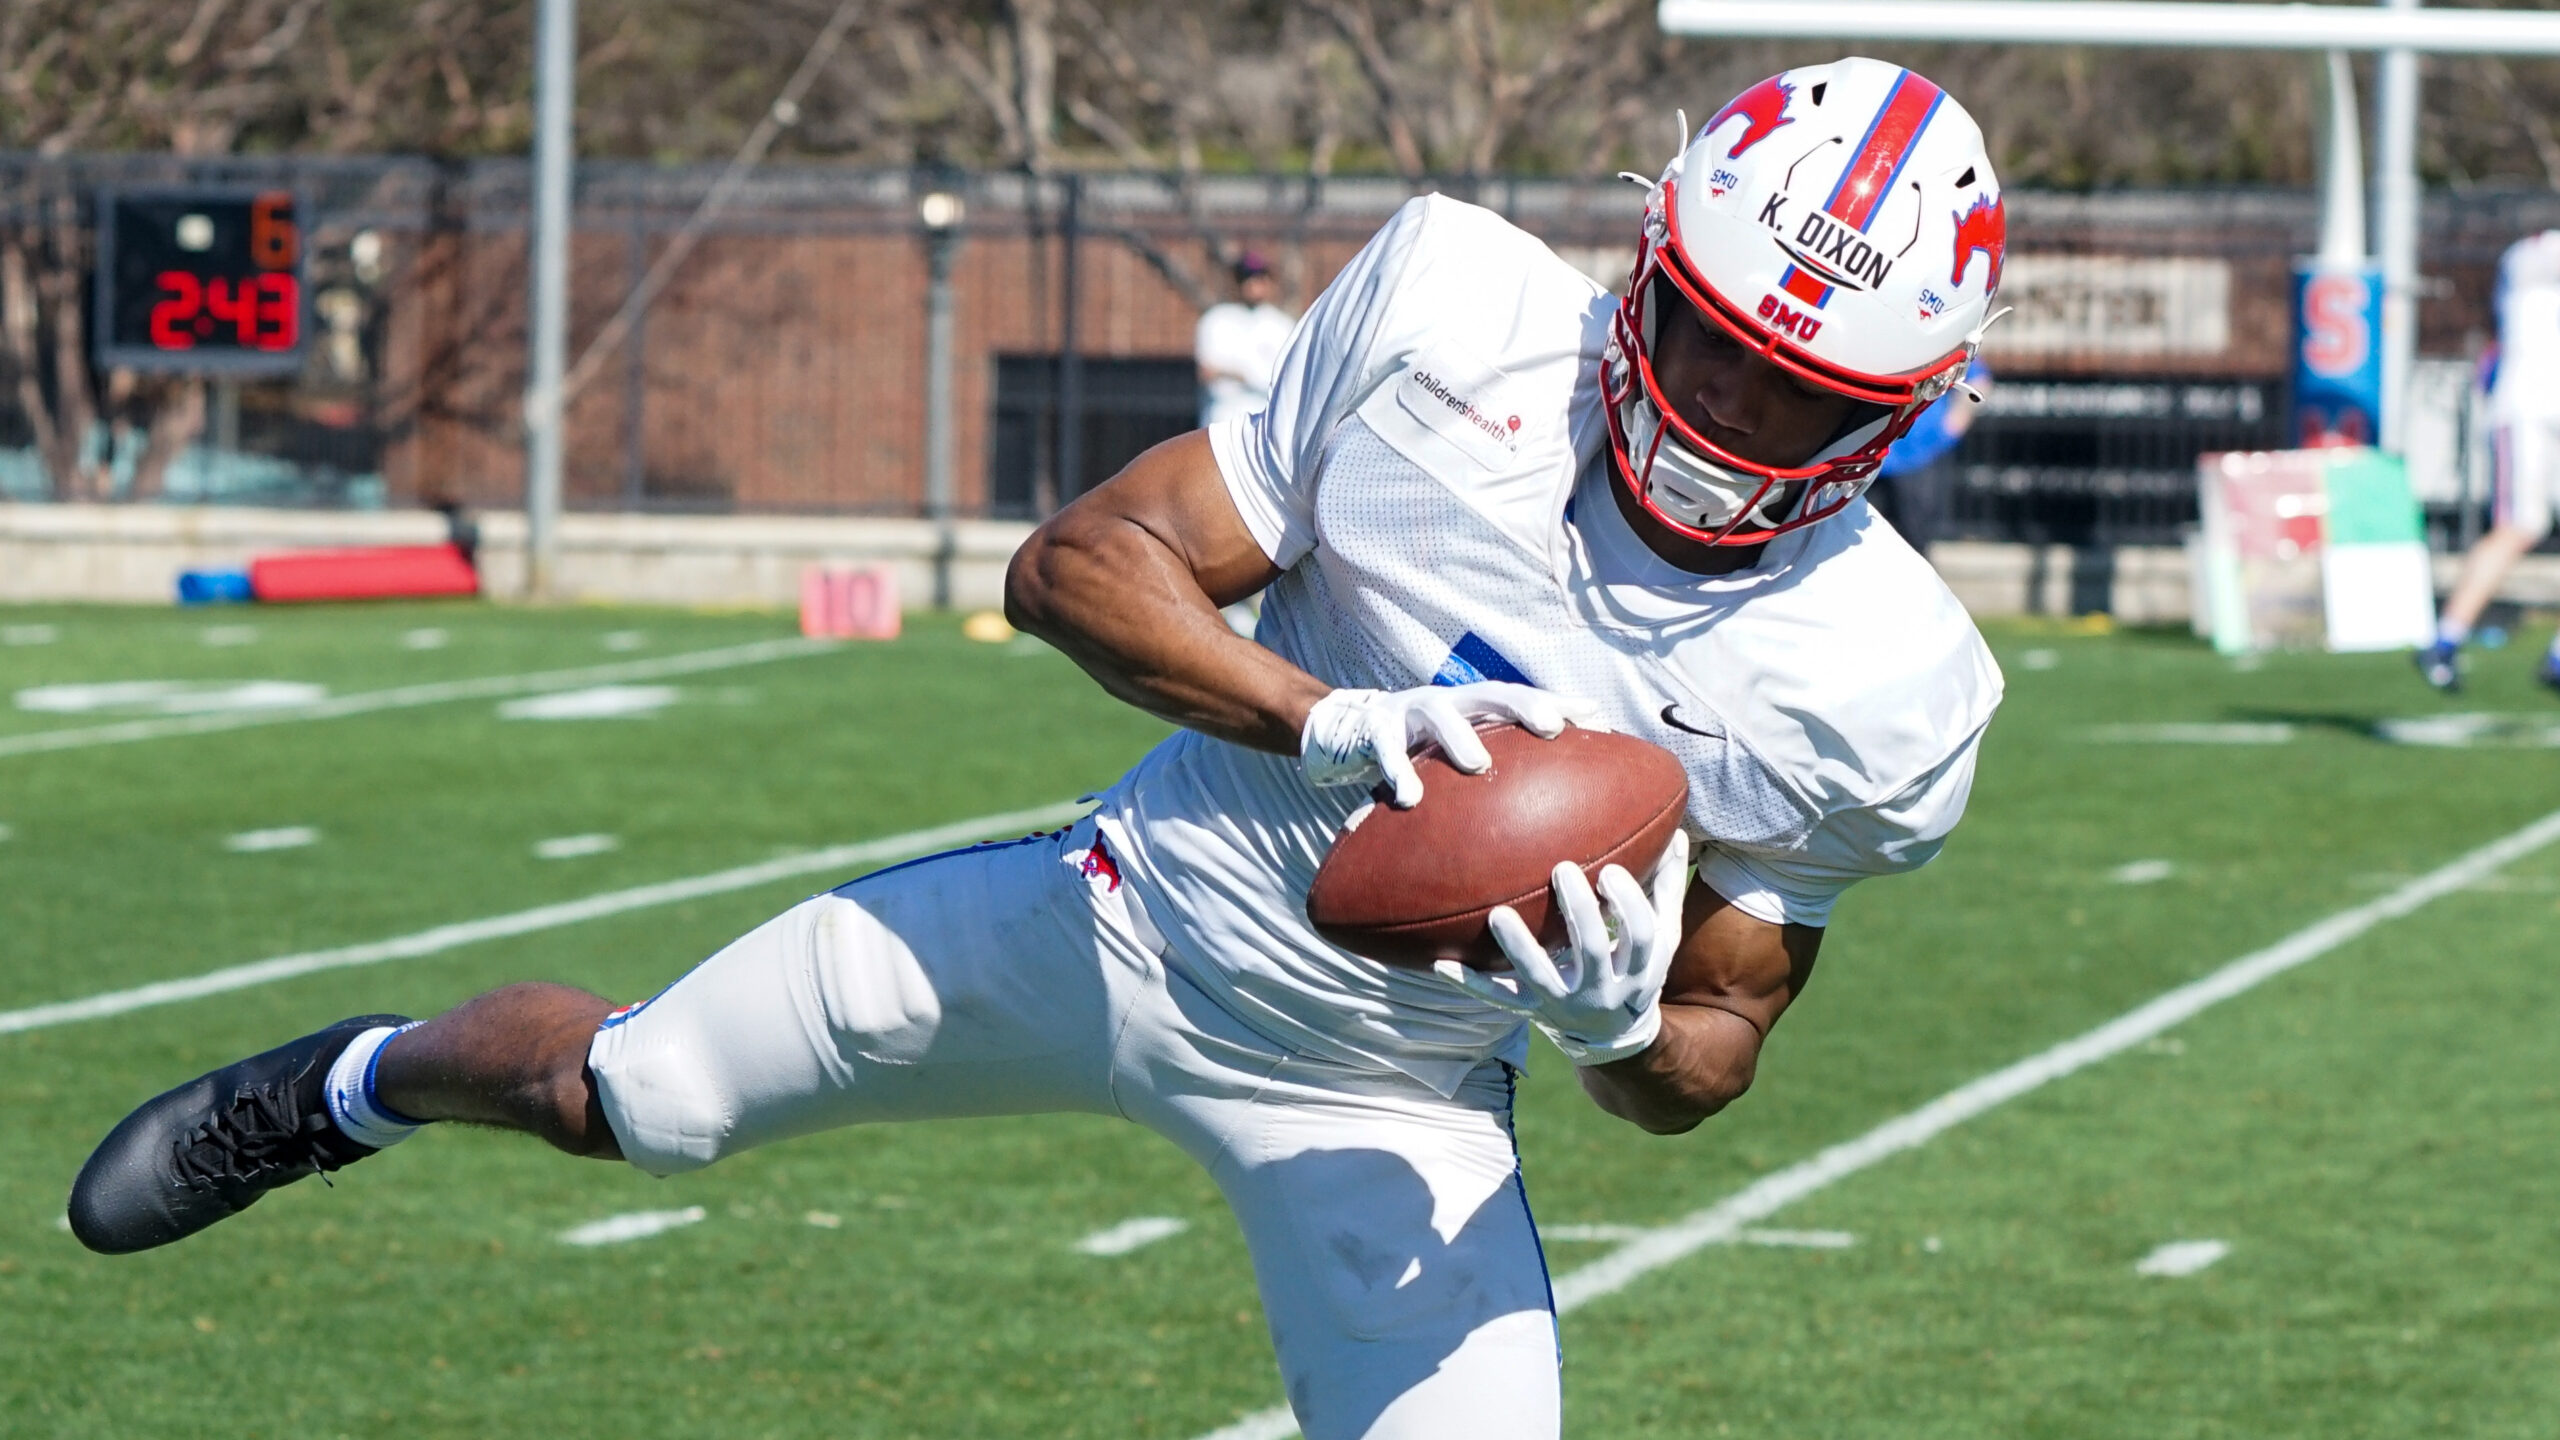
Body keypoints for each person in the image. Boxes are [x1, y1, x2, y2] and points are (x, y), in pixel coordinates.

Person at [68, 58, 2007, 1440]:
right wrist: (1318, 709)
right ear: (1642, 257)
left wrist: (1610, 1036)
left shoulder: (1884, 677)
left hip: (1389, 1101)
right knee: (636, 1096)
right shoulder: (1454, 313)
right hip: (1117, 919)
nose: (1729, 411)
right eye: (1710, 336)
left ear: (1912, 409)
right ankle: (342, 1090)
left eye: (1800, 388)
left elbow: (1715, 1045)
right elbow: (1076, 562)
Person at [2417, 229, 2560, 695]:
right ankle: (2444, 640)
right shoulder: (2532, 253)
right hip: (2529, 413)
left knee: (2524, 524)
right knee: (2520, 525)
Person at [1870, 356, 1990, 557]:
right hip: (1871, 454)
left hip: (1918, 455)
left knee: (1915, 538)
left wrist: (1951, 427)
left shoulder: (1940, 344)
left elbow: (1978, 380)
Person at [1196, 250, 1297, 427]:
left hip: (1265, 423)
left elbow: (1287, 380)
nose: (1253, 284)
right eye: (1246, 278)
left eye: (1259, 277)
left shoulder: (1283, 326)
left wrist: (1240, 374)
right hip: (1222, 420)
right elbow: (1208, 373)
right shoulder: (1215, 320)